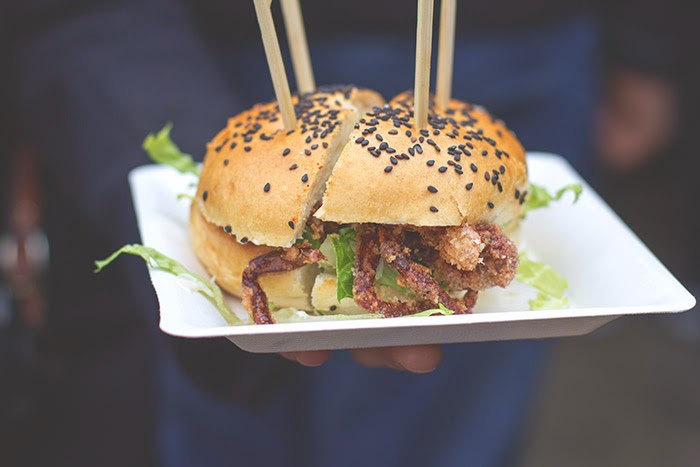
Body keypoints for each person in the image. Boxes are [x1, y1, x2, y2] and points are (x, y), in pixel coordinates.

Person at [4, 1, 685, 466]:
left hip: (520, 50)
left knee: (451, 431)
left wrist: (649, 42)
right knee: (231, 423)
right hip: (213, 60)